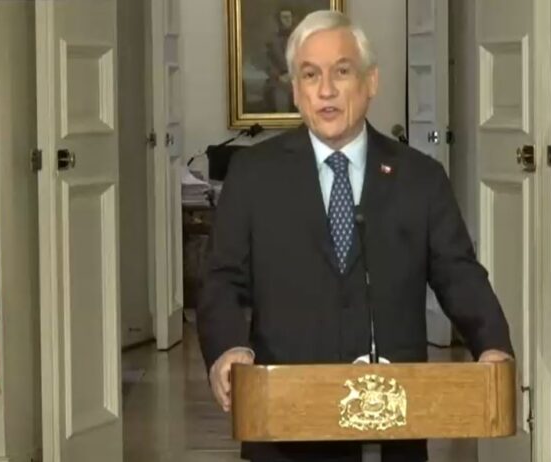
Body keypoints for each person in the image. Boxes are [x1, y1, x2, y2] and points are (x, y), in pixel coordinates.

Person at [197, 9, 514, 462]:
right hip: (284, 429)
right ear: (296, 90)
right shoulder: (253, 176)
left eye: (341, 72)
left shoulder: (420, 178)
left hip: (393, 430)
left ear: (371, 81)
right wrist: (227, 349)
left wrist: (493, 346)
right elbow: (222, 279)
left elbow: (459, 275)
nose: (325, 90)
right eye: (311, 75)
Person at [263, 7, 296, 112]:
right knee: (277, 95)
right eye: (284, 17)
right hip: (278, 79)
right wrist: (278, 76)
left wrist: (292, 74)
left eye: (289, 17)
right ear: (279, 20)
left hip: (297, 77)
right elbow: (267, 61)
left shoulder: (300, 38)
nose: (287, 20)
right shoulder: (271, 40)